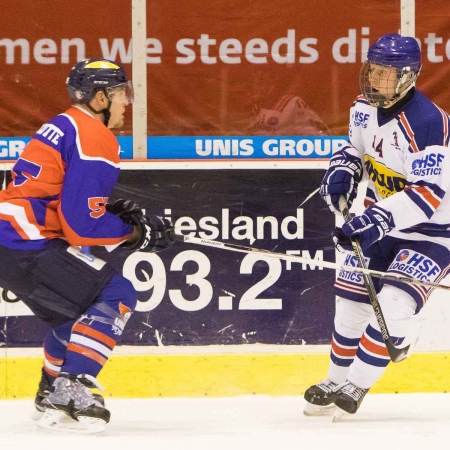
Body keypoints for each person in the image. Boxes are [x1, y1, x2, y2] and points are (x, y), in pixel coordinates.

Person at [0, 58, 175, 433]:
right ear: (99, 98)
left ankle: (50, 390)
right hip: (24, 240)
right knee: (119, 291)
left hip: (10, 239)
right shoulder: (95, 136)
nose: (126, 102)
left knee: (75, 316)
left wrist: (113, 214)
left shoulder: (62, 124)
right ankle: (71, 388)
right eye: (119, 94)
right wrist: (135, 235)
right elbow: (81, 226)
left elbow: (59, 198)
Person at [304, 33, 450, 417]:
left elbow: (428, 194)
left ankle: (357, 384)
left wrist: (373, 219)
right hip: (378, 220)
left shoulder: (429, 123)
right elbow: (356, 147)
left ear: (408, 76)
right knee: (349, 307)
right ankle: (336, 378)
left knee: (392, 306)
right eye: (373, 70)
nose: (375, 79)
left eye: (386, 73)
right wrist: (343, 171)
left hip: (431, 231)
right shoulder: (362, 107)